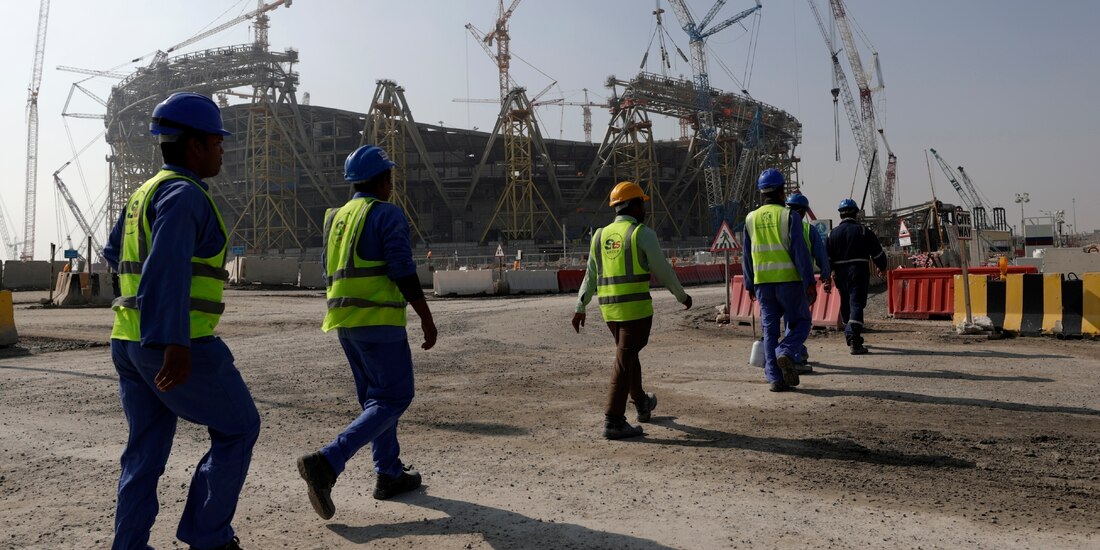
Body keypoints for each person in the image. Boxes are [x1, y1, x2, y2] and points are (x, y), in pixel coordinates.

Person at [104, 92, 260, 550]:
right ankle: (209, 537)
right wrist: (175, 341)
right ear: (194, 144)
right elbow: (167, 264)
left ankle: (128, 546)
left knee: (145, 451)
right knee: (238, 426)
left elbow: (116, 253)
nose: (221, 150)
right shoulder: (184, 194)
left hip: (128, 340)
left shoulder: (143, 193)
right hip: (174, 342)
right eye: (216, 141)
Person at [297, 145, 438, 520]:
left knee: (376, 401)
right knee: (394, 398)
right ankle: (328, 461)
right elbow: (402, 269)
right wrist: (425, 315)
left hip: (344, 322)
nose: (392, 184)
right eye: (389, 178)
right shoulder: (385, 213)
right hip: (379, 322)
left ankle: (388, 473)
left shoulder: (336, 218)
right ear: (382, 180)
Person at [572, 181, 692, 439]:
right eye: (642, 203)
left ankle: (641, 403)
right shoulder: (642, 233)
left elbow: (589, 276)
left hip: (610, 314)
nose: (644, 208)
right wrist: (681, 296)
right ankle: (613, 420)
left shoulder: (600, 236)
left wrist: (580, 305)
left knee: (628, 357)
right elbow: (663, 270)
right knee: (623, 362)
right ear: (634, 205)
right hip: (636, 312)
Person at [741, 169, 818, 392]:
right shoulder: (789, 216)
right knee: (801, 322)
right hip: (789, 282)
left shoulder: (750, 218)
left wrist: (749, 284)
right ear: (782, 190)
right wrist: (809, 281)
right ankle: (785, 351)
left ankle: (775, 379)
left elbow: (747, 255)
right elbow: (800, 252)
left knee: (770, 330)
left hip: (762, 284)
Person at [826, 199, 887, 354]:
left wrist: (827, 277)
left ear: (840, 214)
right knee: (856, 304)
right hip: (858, 271)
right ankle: (854, 339)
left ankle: (850, 331)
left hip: (839, 274)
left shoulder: (831, 234)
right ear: (856, 213)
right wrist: (882, 267)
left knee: (846, 303)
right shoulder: (863, 231)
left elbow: (826, 259)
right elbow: (877, 253)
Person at [783, 192, 833, 373]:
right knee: (799, 321)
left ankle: (798, 352)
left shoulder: (777, 226)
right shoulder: (807, 229)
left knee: (788, 320)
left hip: (774, 283)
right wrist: (826, 276)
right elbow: (821, 256)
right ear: (804, 212)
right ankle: (792, 357)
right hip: (800, 282)